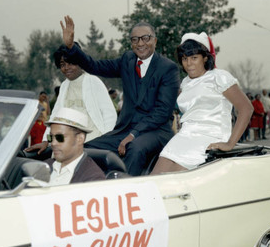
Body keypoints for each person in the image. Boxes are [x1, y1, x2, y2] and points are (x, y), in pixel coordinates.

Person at [59, 15, 180, 176]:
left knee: (135, 148)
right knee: (86, 149)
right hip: (125, 129)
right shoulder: (127, 60)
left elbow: (162, 112)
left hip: (156, 131)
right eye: (135, 40)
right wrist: (71, 46)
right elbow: (95, 66)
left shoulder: (168, 68)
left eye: (145, 38)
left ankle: (126, 192)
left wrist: (133, 134)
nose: (140, 43)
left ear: (155, 41)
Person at [150, 32, 253, 174]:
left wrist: (230, 143)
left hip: (209, 137)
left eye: (194, 58)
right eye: (185, 59)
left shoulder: (219, 77)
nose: (189, 63)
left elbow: (246, 109)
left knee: (174, 182)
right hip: (183, 136)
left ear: (205, 58)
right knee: (154, 180)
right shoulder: (185, 82)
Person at [46, 107, 105, 185]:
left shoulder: (93, 178)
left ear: (80, 139)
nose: (53, 143)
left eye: (59, 137)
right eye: (50, 137)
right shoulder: (44, 166)